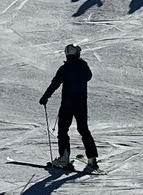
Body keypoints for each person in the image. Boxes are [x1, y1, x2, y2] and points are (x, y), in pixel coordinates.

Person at [39, 43, 98, 172]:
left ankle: (64, 159)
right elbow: (88, 77)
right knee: (83, 129)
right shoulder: (83, 66)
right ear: (76, 53)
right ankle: (92, 158)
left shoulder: (64, 68)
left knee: (63, 130)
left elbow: (55, 83)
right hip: (81, 103)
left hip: (67, 104)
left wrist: (45, 97)